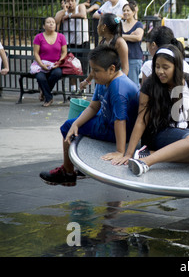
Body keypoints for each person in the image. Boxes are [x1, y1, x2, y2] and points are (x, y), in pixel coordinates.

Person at [39, 44, 140, 186]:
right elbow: (93, 106)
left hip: (116, 130)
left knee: (66, 127)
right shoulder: (103, 79)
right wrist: (76, 124)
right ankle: (74, 168)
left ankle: (68, 172)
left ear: (111, 69)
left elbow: (120, 121)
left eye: (96, 70)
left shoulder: (119, 89)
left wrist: (119, 151)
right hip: (107, 119)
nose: (93, 74)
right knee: (71, 124)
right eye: (92, 69)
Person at [111, 45, 189, 175]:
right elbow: (141, 119)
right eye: (157, 66)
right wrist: (128, 153)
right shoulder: (150, 84)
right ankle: (147, 161)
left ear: (176, 66)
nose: (160, 71)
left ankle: (149, 154)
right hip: (159, 132)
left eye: (165, 67)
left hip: (184, 131)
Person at [80, 13, 129, 89]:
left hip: (114, 83)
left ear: (104, 27)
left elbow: (125, 69)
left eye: (99, 23)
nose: (97, 26)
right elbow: (96, 66)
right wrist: (87, 81)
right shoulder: (103, 42)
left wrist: (116, 85)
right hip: (102, 82)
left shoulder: (120, 42)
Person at [55, 0, 90, 92]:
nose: (70, 3)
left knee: (82, 67)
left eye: (72, 1)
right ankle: (73, 89)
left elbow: (83, 15)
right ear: (64, 2)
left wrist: (69, 16)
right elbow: (55, 21)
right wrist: (64, 11)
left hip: (82, 42)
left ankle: (82, 90)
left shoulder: (81, 7)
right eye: (68, 1)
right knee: (71, 67)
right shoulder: (62, 12)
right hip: (69, 43)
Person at [31, 17, 67, 107]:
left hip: (55, 64)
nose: (51, 24)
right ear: (44, 26)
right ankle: (49, 97)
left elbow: (64, 52)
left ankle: (44, 92)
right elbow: (36, 53)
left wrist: (59, 62)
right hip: (41, 64)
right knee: (40, 77)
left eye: (53, 22)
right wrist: (41, 65)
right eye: (48, 22)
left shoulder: (61, 37)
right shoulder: (38, 37)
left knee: (57, 73)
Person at [122, 2, 144, 86]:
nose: (125, 12)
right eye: (124, 10)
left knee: (132, 84)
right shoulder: (120, 24)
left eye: (128, 10)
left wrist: (122, 36)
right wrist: (129, 36)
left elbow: (138, 37)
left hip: (134, 58)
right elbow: (115, 37)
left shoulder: (138, 24)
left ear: (134, 12)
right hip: (121, 58)